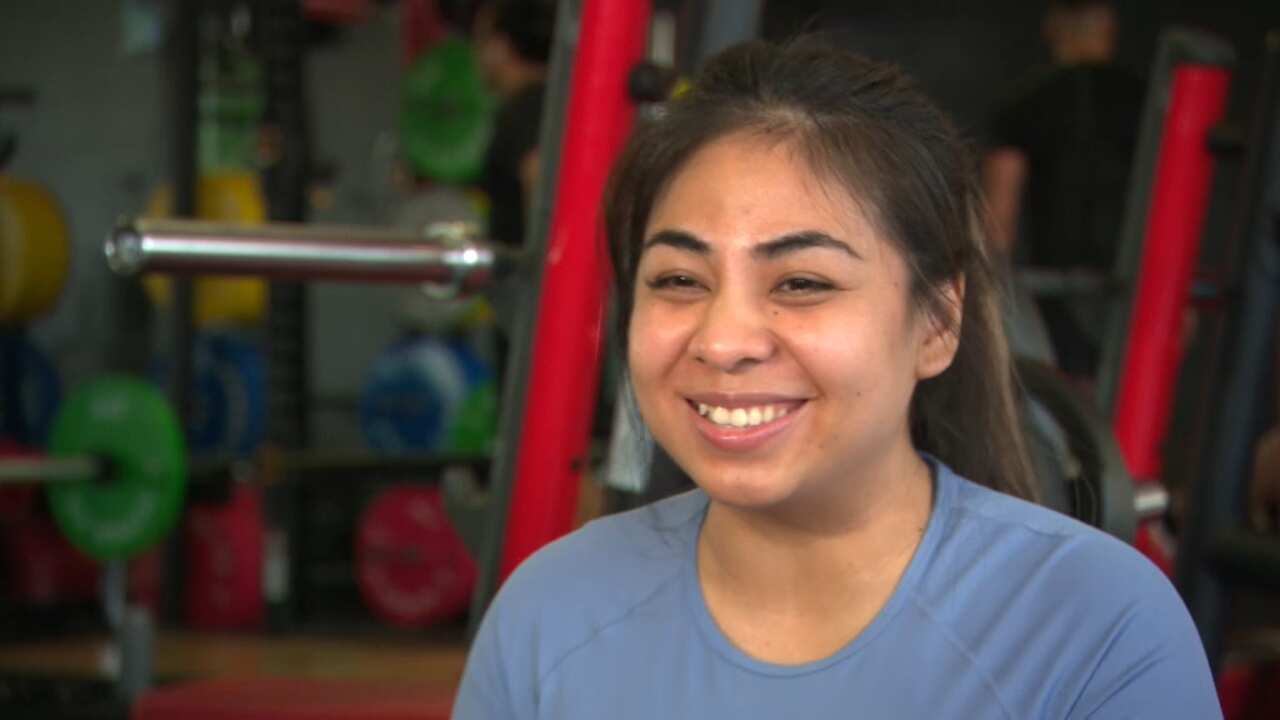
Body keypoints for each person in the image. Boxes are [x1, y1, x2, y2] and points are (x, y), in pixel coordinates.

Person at [454, 39, 1219, 718]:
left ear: (938, 322)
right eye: (680, 280)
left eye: (802, 283)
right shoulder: (549, 614)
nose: (722, 340)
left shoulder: (1094, 624)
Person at [984, 0, 1145, 378]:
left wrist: (985, 310)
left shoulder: (1024, 106)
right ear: (1109, 24)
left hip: (1058, 293)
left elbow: (998, 227)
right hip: (1140, 287)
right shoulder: (1152, 103)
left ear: (1052, 26)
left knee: (1068, 412)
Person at [472, 0, 554, 249]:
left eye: (481, 39)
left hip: (524, 280)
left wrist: (538, 269)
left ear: (501, 45)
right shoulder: (550, 101)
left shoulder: (528, 107)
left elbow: (538, 177)